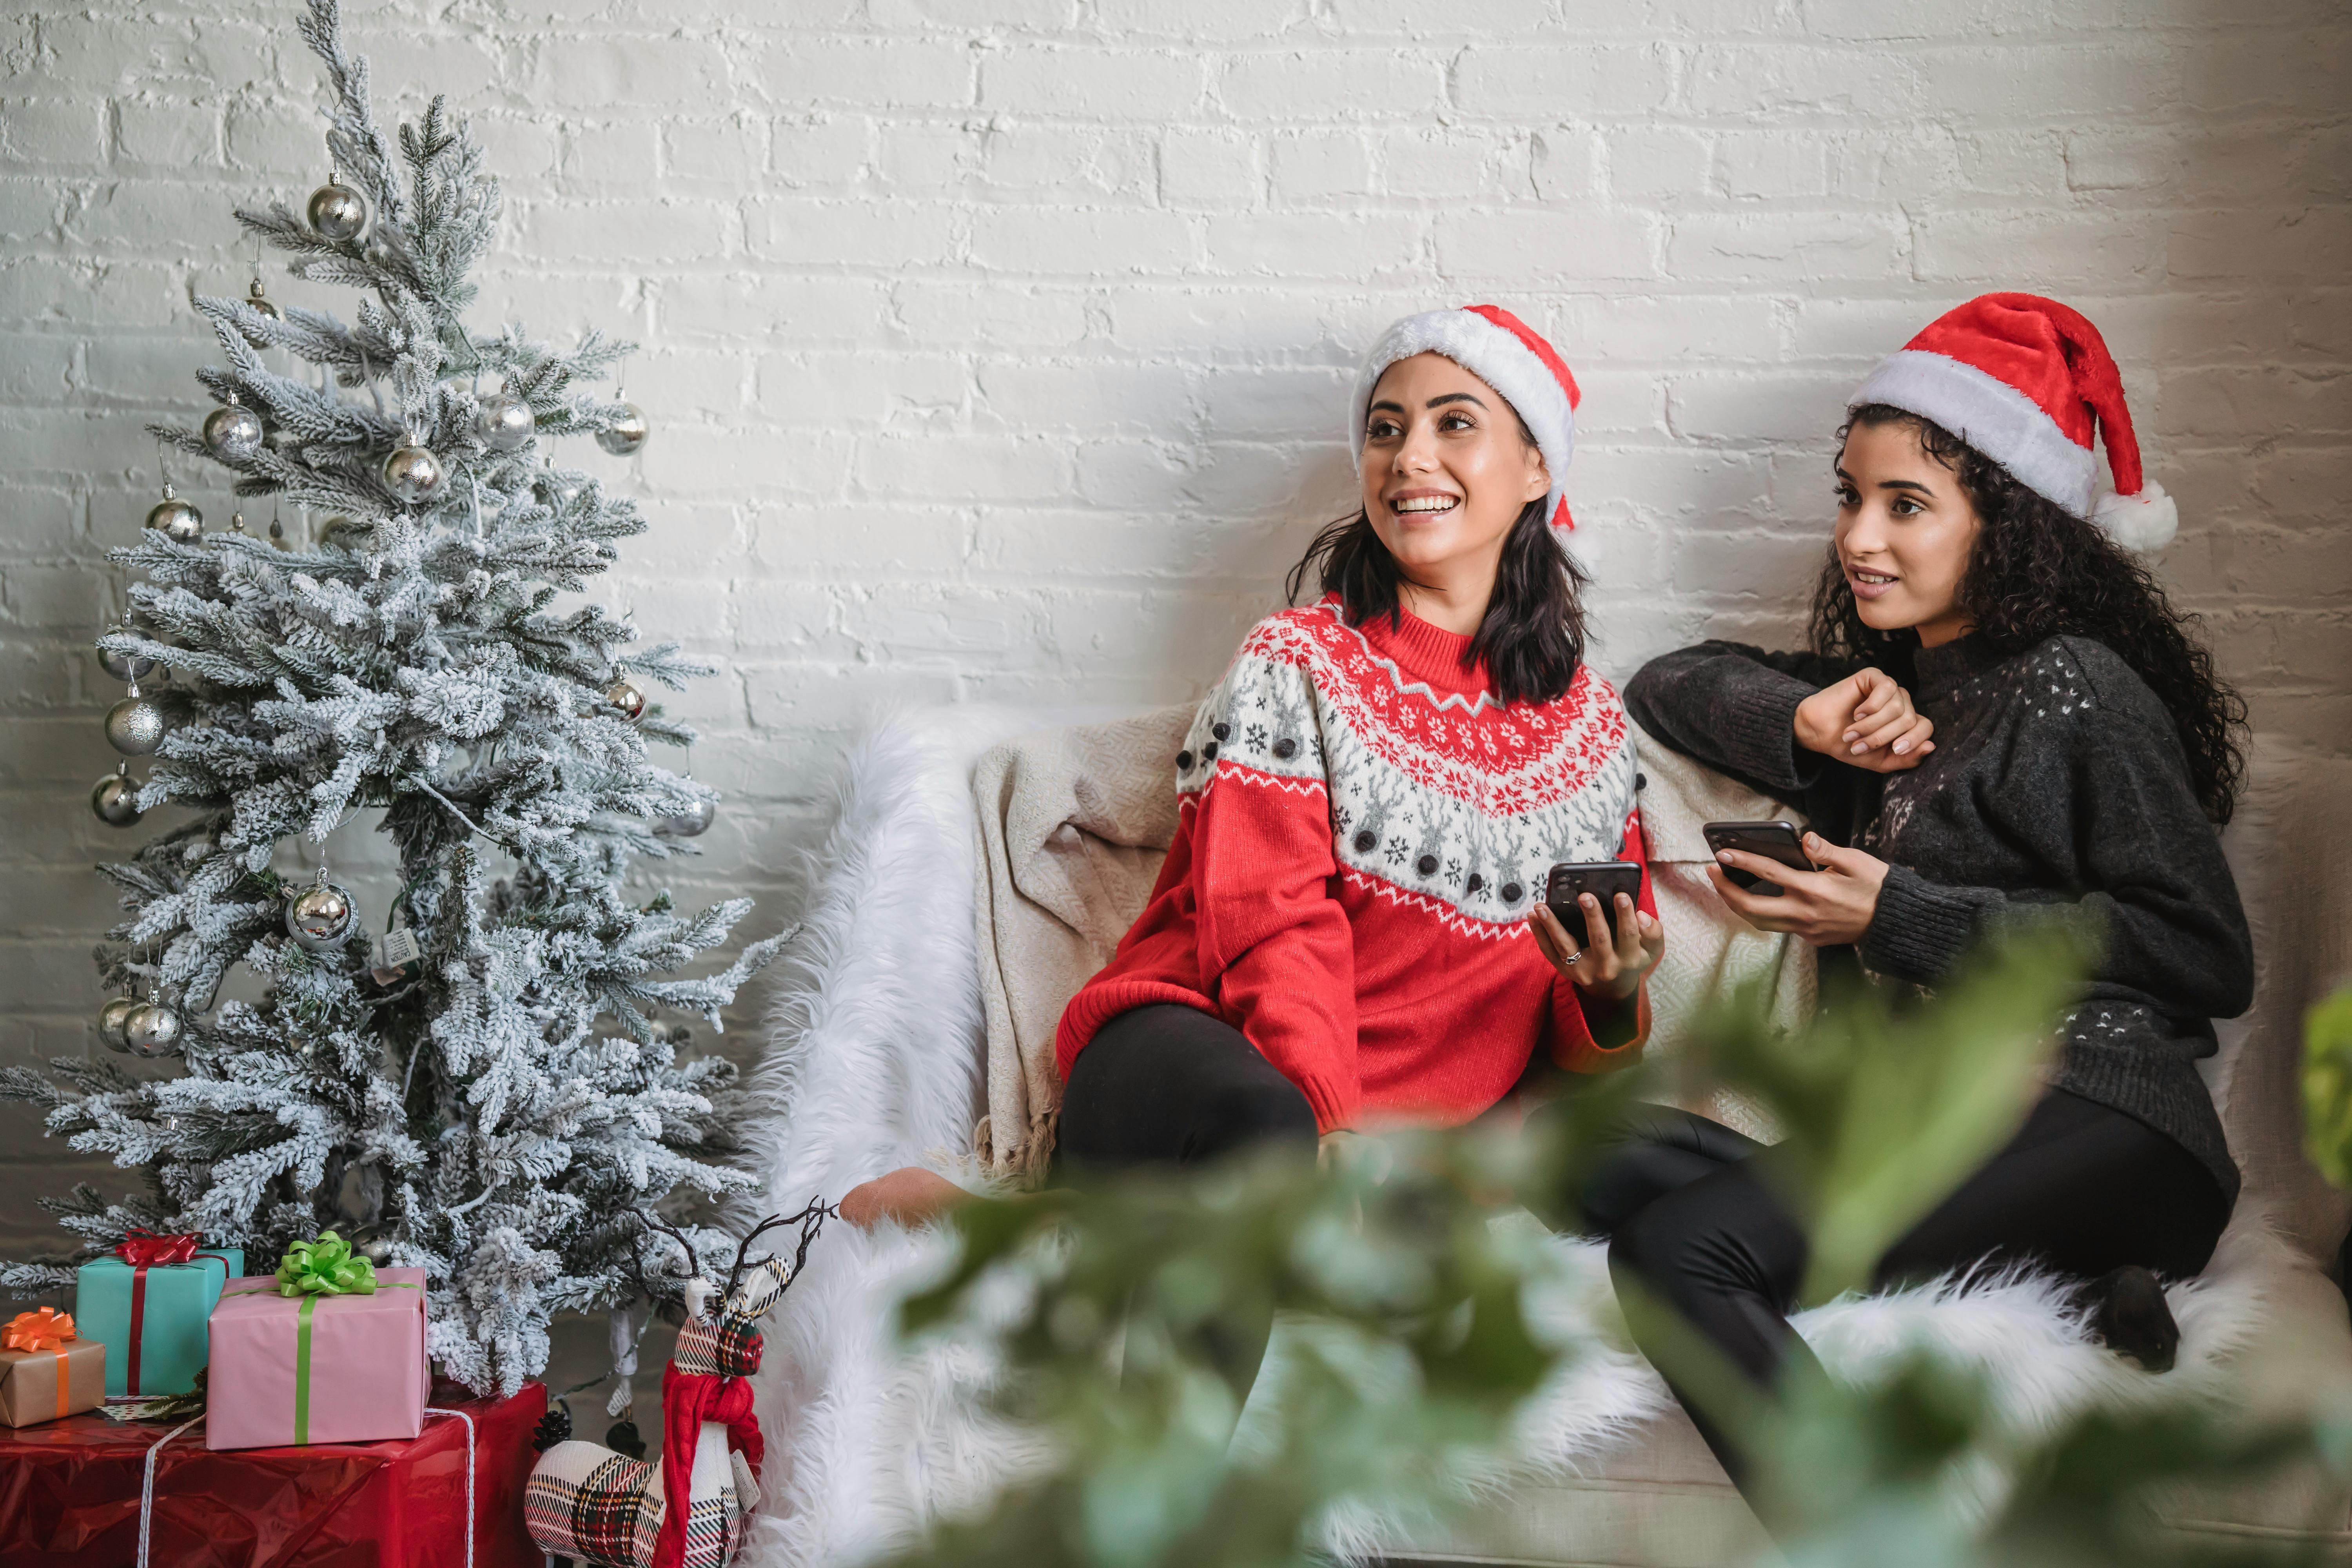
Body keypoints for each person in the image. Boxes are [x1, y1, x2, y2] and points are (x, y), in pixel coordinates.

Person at [1608, 292, 2252, 1493]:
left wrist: (1893, 915)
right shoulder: (1888, 698)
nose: (1861, 536)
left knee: (1674, 1251)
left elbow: (2204, 948)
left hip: (2107, 1110)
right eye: (1852, 496)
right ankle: (2083, 1274)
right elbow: (1665, 683)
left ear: (2006, 526)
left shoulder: (2075, 686)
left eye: (1908, 505)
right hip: (1965, 1129)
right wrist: (1810, 716)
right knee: (1608, 1155)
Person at [841, 305, 1666, 1232]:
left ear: (1538, 467)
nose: (1408, 456)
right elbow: (1272, 921)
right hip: (1201, 1066)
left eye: (1455, 422)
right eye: (1385, 429)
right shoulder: (1300, 662)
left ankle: (1051, 1223)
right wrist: (1328, 1121)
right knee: (1270, 1138)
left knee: (1468, 1235)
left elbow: (1569, 1037)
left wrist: (1610, 993)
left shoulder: (1591, 729)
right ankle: (1154, 1227)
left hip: (1407, 1153)